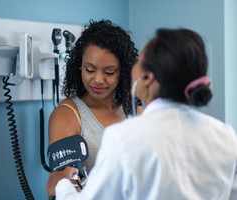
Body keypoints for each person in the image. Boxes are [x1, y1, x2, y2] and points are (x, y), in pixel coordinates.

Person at [47, 27, 237, 199]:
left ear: (146, 78)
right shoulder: (226, 135)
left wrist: (61, 186)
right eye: (90, 69)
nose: (98, 79)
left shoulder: (124, 137)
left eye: (137, 63)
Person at [48, 19, 139, 175]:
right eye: (90, 70)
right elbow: (64, 182)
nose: (98, 80)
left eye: (109, 72)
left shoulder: (134, 109)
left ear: (123, 73)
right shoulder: (67, 115)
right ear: (79, 67)